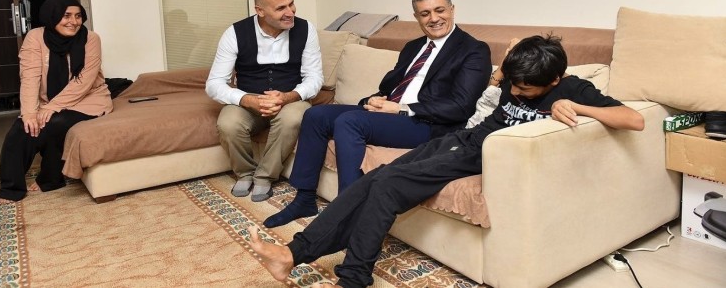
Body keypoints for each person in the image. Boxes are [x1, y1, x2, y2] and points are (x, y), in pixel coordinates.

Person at [249, 35, 645, 288]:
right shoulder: (516, 76)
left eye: (526, 90)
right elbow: (503, 75)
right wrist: (506, 72)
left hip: (482, 156)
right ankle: (292, 254)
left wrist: (576, 107)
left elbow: (635, 119)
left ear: (555, 80)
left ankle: (353, 278)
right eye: (514, 85)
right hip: (463, 140)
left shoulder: (572, 88)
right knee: (378, 176)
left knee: (387, 185)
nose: (516, 93)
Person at [263, 0, 492, 228]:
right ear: (416, 17)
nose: (434, 19)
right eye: (425, 13)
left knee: (350, 122)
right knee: (316, 115)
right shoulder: (414, 47)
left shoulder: (473, 50)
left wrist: (402, 108)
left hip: (429, 124)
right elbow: (390, 87)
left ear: (452, 9)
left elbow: (461, 106)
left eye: (440, 10)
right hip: (394, 113)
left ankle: (346, 215)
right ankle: (304, 198)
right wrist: (374, 99)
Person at [206, 0, 323, 202]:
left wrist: (287, 97)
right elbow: (214, 84)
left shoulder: (306, 30)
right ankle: (245, 173)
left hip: (290, 100)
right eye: (281, 8)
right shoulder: (235, 33)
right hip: (248, 101)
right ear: (260, 11)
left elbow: (314, 78)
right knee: (228, 123)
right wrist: (247, 100)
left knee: (293, 118)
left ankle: (265, 177)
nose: (290, 12)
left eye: (291, 4)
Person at [0, 0, 113, 203]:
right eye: (66, 15)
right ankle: (11, 188)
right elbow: (30, 76)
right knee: (23, 127)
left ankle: (51, 179)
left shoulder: (91, 39)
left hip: (88, 100)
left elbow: (84, 82)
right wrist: (29, 113)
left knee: (55, 123)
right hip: (48, 101)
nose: (73, 21)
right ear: (52, 16)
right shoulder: (35, 37)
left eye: (78, 16)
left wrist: (53, 107)